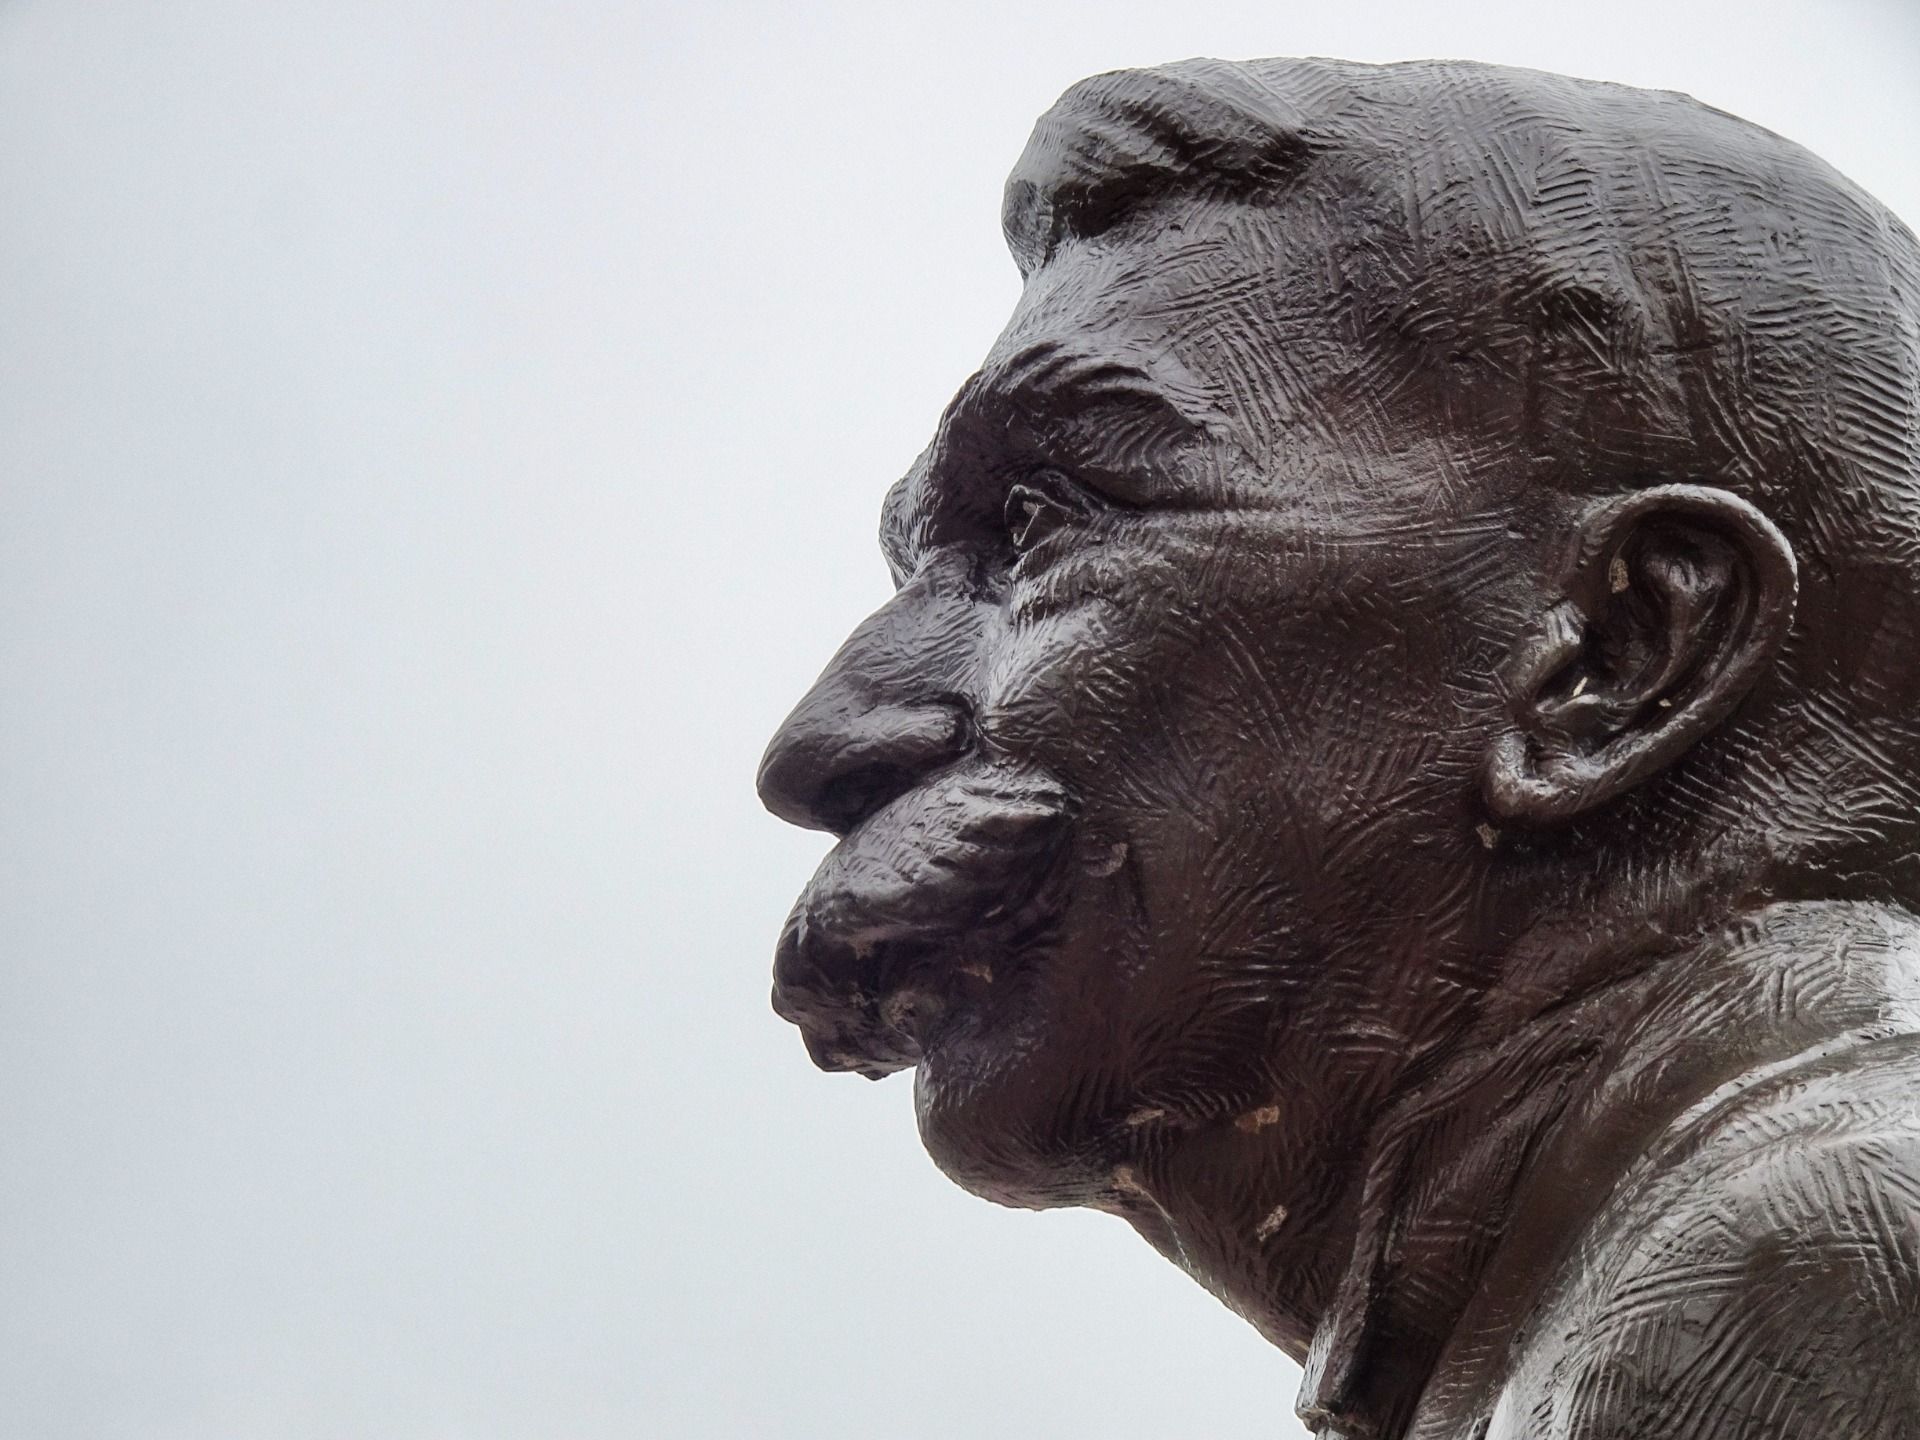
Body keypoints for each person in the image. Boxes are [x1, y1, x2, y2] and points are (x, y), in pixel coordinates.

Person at [757, 57, 1920, 1439]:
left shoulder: (1797, 1269)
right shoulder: (1574, 1294)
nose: (826, 739)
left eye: (1040, 531)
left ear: (1616, 654)